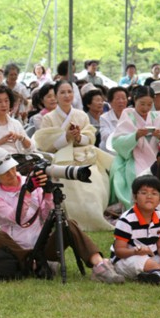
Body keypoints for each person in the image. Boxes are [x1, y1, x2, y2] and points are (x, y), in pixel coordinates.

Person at [0, 148, 124, 283]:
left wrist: (47, 193)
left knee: (69, 224)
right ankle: (36, 263)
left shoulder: (32, 181)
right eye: (4, 172)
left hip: (42, 245)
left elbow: (46, 216)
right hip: (18, 248)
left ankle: (100, 266)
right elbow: (17, 218)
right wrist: (27, 192)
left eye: (11, 168)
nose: (11, 173)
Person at [33, 80, 114, 231]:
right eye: (62, 92)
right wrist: (66, 137)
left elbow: (90, 138)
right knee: (69, 181)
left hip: (84, 156)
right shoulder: (48, 118)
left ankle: (94, 214)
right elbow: (46, 145)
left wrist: (78, 137)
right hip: (60, 158)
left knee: (95, 177)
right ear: (56, 96)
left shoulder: (81, 115)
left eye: (69, 92)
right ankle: (75, 219)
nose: (67, 95)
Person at [109, 85, 160, 210]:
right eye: (142, 104)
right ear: (135, 99)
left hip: (158, 158)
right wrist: (135, 136)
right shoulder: (128, 114)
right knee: (136, 177)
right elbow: (117, 142)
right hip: (134, 157)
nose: (145, 108)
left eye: (149, 104)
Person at [99, 86, 128, 152]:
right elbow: (105, 136)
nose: (121, 101)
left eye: (124, 98)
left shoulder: (132, 115)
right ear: (110, 102)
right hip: (109, 152)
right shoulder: (104, 117)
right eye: (117, 99)